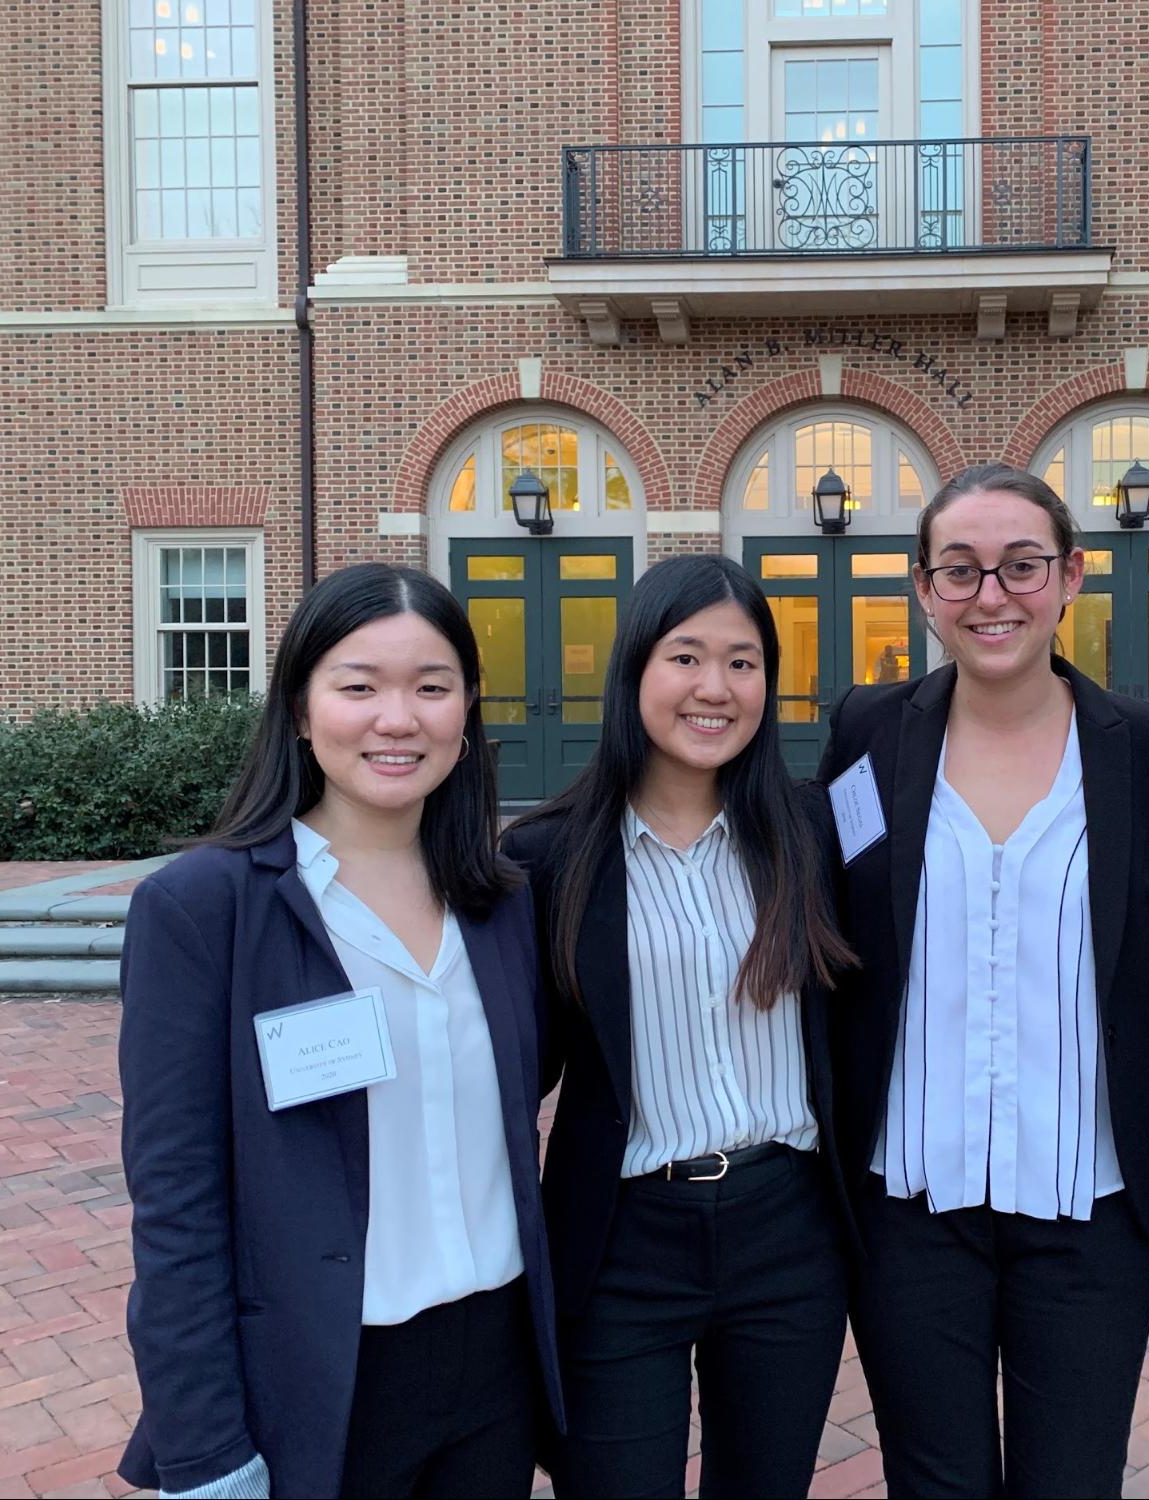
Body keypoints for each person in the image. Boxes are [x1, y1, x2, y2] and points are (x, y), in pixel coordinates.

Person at [116, 563, 561, 1500]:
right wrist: (204, 1450)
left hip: (496, 1370)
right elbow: (177, 1205)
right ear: (299, 708)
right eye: (358, 686)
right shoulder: (205, 912)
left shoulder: (502, 902)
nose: (397, 720)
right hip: (321, 1381)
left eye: (431, 688)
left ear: (467, 710)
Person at [815, 462, 1149, 1499]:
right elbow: (829, 921)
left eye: (1021, 566)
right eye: (960, 571)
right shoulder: (867, 732)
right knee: (932, 1482)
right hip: (909, 1202)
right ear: (923, 589)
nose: (992, 597)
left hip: (1090, 1200)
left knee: (1072, 1482)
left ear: (1071, 576)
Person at [502, 554, 857, 1500]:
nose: (715, 689)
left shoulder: (811, 832)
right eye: (686, 657)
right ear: (634, 673)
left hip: (787, 1226)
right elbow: (509, 1065)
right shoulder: (545, 857)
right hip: (623, 1234)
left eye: (743, 663)